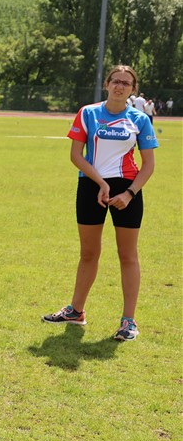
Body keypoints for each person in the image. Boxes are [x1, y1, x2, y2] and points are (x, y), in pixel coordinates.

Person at [43, 65, 158, 342]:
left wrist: (129, 193)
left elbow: (148, 165)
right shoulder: (88, 113)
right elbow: (76, 155)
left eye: (126, 83)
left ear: (133, 90)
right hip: (91, 185)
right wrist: (101, 183)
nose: (120, 86)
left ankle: (128, 321)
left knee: (127, 255)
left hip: (127, 189)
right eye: (115, 81)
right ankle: (76, 311)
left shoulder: (140, 119)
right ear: (107, 84)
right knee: (88, 253)